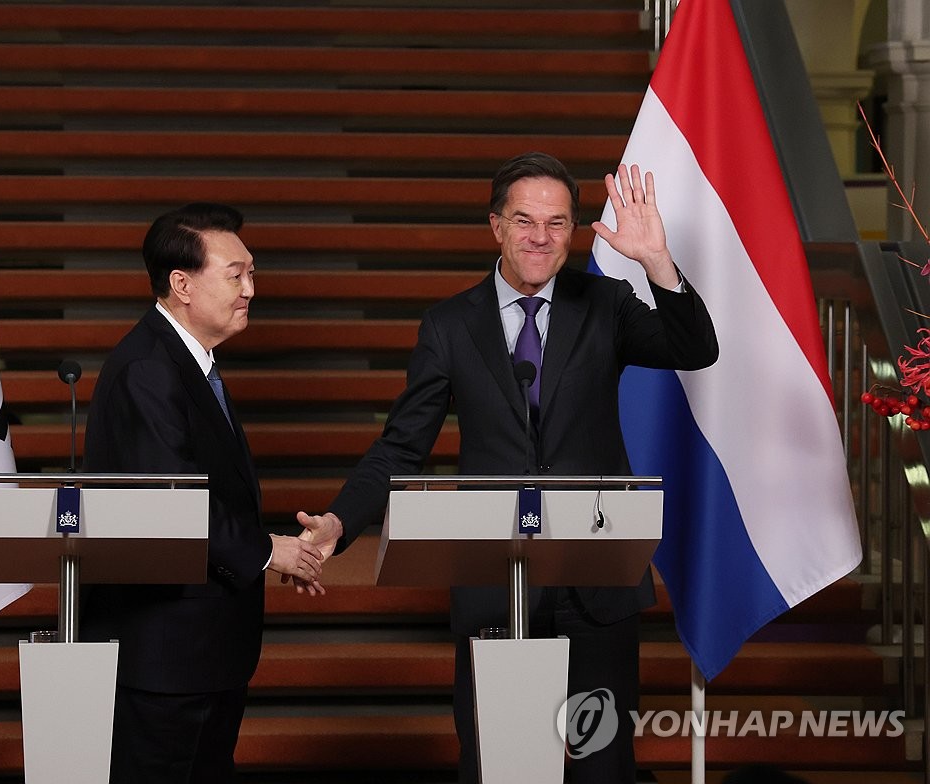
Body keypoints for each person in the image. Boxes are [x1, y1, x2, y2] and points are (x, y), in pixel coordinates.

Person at [293, 152, 719, 783]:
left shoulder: (607, 304)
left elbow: (695, 349)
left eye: (556, 223)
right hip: (498, 584)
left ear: (573, 231)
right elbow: (401, 447)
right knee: (500, 766)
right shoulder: (448, 325)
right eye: (524, 221)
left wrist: (656, 261)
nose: (540, 237)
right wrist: (340, 522)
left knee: (600, 766)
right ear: (495, 226)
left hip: (594, 583)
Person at [80, 202, 326, 783]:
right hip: (166, 655)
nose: (250, 289)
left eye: (252, 274)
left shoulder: (188, 362)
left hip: (201, 651)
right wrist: (271, 551)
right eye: (235, 274)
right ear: (182, 284)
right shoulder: (149, 368)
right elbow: (174, 499)